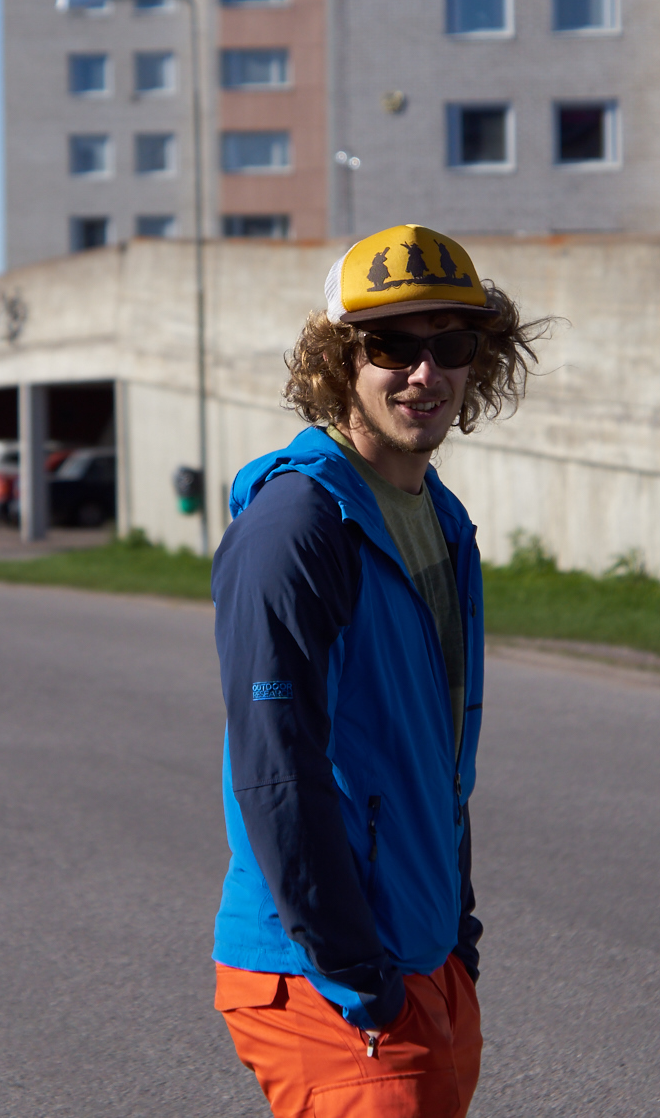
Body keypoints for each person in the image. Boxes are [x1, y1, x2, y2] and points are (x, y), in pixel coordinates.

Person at [210, 223, 546, 1118]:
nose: (423, 372)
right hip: (329, 983)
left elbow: (434, 756)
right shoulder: (298, 527)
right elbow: (274, 770)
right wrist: (359, 975)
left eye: (450, 344)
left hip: (424, 957)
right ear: (335, 362)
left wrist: (455, 942)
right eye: (391, 345)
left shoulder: (438, 517)